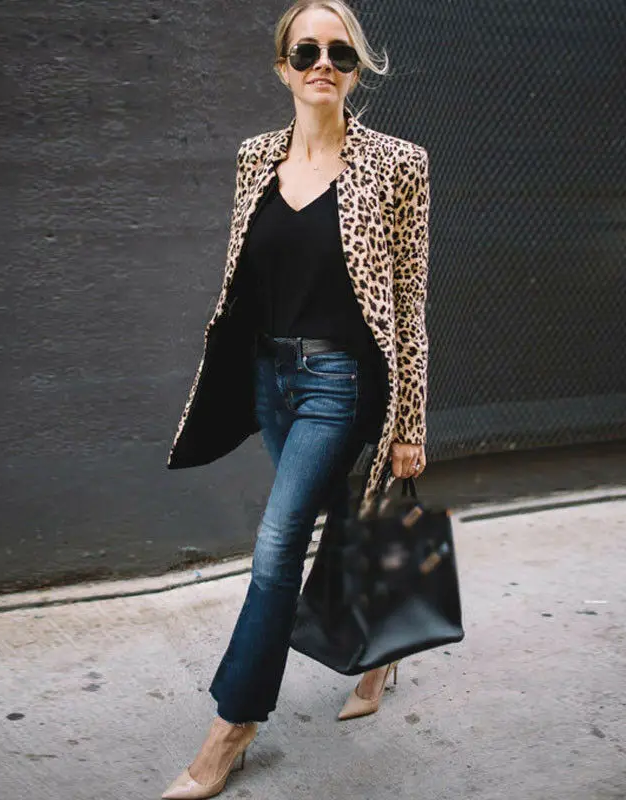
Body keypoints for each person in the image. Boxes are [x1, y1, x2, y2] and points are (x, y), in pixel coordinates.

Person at [162, 1, 430, 796]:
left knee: (278, 543)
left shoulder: (398, 164)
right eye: (306, 51)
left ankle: (233, 725)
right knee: (344, 516)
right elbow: (243, 278)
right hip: (270, 378)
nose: (323, 64)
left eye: (340, 53)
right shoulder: (255, 158)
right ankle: (382, 652)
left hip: (338, 382)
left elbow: (409, 300)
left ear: (356, 70)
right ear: (283, 66)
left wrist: (410, 423)